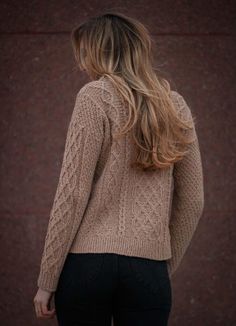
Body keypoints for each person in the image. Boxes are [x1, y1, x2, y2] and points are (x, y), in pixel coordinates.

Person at [33, 11, 204, 326]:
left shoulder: (94, 96)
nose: (82, 63)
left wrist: (47, 280)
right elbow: (193, 200)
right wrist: (161, 265)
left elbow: (72, 194)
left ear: (100, 51)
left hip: (88, 266)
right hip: (148, 271)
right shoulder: (175, 104)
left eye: (84, 53)